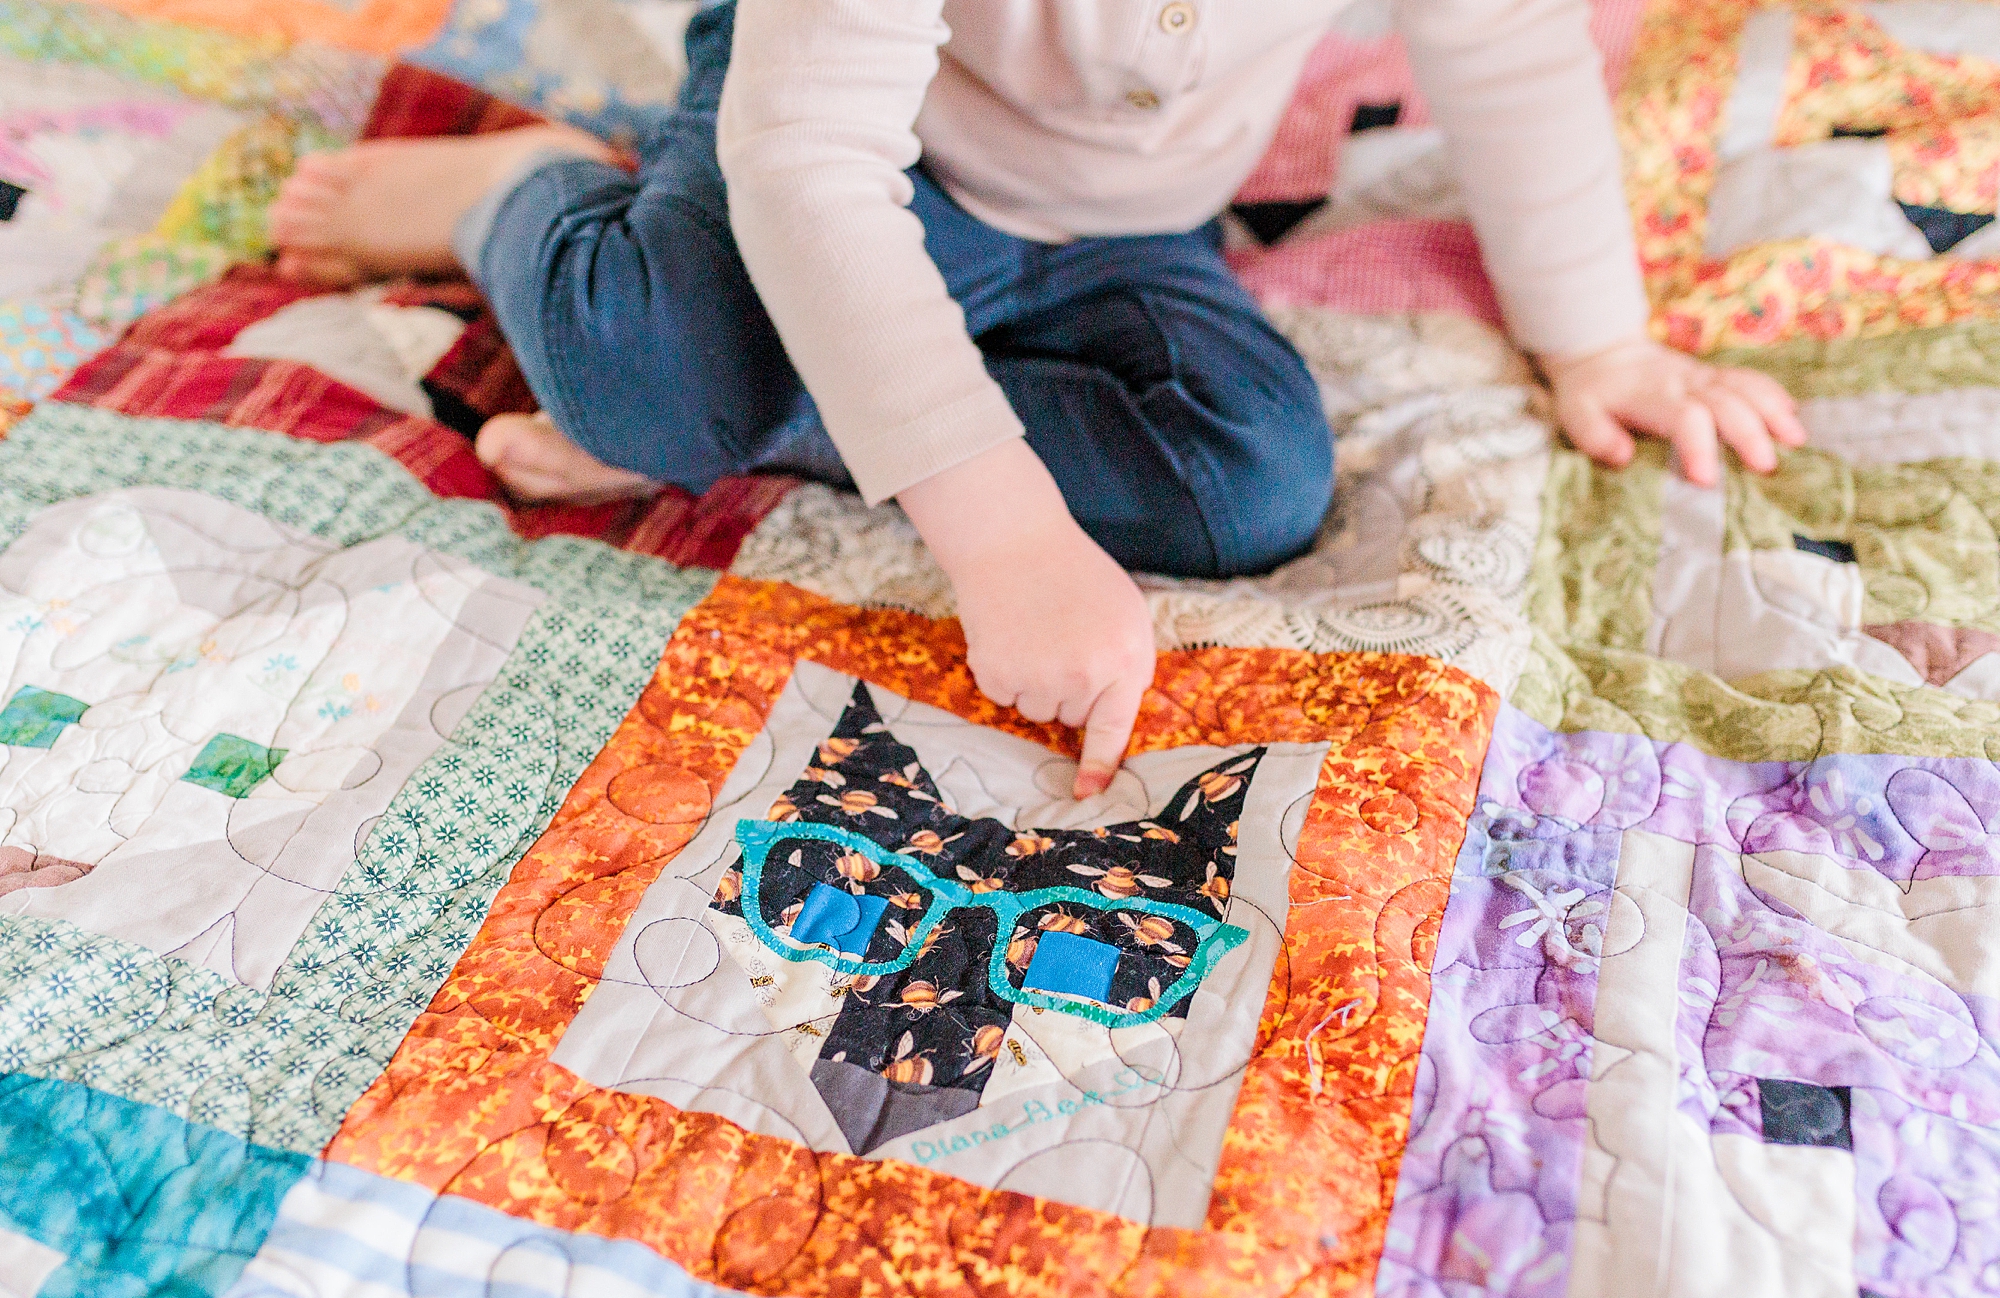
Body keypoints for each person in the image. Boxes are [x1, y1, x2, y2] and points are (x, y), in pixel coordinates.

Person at [268, 0, 1804, 799]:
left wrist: (1598, 341)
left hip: (1121, 218)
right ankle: (512, 198)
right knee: (656, 378)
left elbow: (1518, 52)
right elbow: (807, 167)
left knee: (1250, 480)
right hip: (842, 148)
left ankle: (801, 418)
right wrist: (1001, 531)